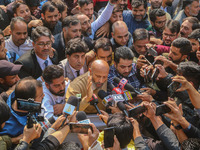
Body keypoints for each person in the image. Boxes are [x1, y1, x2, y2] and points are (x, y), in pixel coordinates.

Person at [0, 77, 44, 143]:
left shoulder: (21, 95)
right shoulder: (5, 122)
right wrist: (18, 139)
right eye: (40, 96)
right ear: (29, 102)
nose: (44, 95)